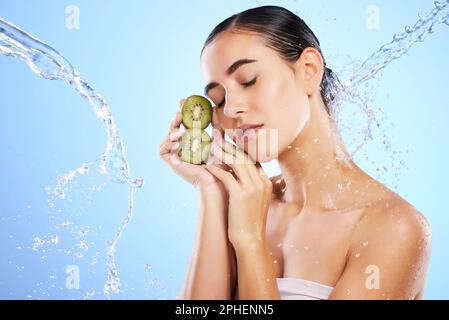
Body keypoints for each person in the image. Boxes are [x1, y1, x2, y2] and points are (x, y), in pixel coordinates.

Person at [159, 5, 431, 300]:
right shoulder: (243, 204)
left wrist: (251, 242)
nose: (232, 108)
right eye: (219, 99)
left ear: (309, 70)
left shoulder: (393, 228)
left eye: (248, 80)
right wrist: (210, 189)